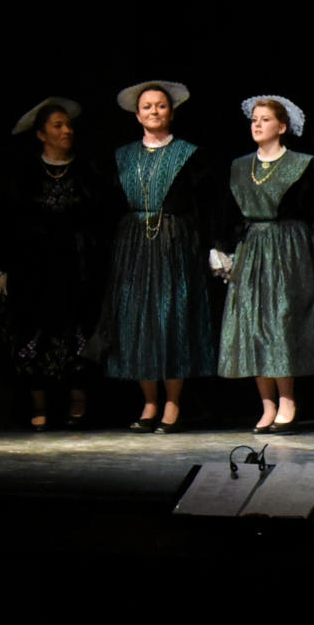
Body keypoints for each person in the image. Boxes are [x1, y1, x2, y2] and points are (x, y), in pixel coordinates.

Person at [90, 80, 219, 432]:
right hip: (134, 245)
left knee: (171, 318)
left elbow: (204, 205)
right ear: (137, 114)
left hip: (175, 243)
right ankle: (149, 403)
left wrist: (210, 246)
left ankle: (173, 402)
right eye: (147, 106)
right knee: (137, 319)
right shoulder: (122, 156)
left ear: (171, 113)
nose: (154, 112)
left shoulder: (190, 154)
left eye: (161, 106)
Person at [213, 95, 314, 434]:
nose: (257, 124)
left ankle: (287, 400)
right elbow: (227, 212)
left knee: (282, 324)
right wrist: (221, 248)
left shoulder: (301, 165)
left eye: (265, 119)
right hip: (253, 248)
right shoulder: (241, 166)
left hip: (289, 249)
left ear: (282, 127)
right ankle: (267, 404)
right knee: (252, 324)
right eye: (254, 119)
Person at [0, 98, 115, 430]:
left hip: (78, 267)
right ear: (41, 134)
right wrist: (0, 268)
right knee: (33, 329)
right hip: (35, 268)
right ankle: (39, 403)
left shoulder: (88, 172)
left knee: (79, 329)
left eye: (68, 125)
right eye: (58, 126)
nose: (67, 131)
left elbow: (103, 220)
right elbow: (5, 222)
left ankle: (78, 400)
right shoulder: (24, 176)